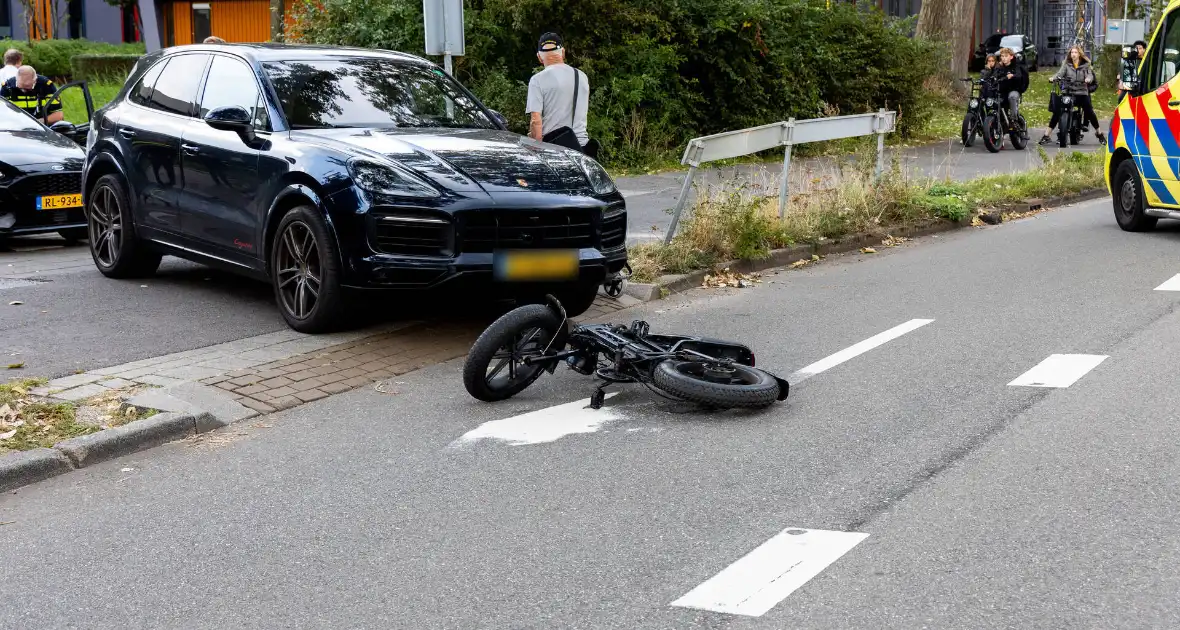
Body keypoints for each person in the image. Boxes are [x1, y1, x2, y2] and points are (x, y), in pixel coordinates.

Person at [525, 31, 598, 157]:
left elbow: (536, 121)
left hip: (555, 150)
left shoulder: (537, 80)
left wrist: (536, 151)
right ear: (563, 52)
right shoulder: (582, 76)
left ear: (539, 57)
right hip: (583, 150)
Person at [1043, 45, 1106, 145]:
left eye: (1075, 52)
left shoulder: (1086, 65)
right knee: (1058, 111)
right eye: (1072, 52)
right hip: (1068, 92)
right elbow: (1059, 74)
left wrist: (1088, 79)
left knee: (1089, 111)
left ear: (1079, 54)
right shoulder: (1066, 64)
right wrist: (1053, 78)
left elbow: (1090, 74)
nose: (1073, 54)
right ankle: (1046, 135)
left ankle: (1099, 133)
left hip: (1081, 92)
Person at [995, 47, 1029, 133]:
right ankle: (995, 121)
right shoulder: (999, 67)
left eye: (1006, 56)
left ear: (1011, 57)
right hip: (1002, 91)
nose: (1003, 58)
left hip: (1014, 90)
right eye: (1002, 56)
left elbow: (1019, 75)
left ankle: (1014, 121)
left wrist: (1012, 76)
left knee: (1012, 97)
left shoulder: (1016, 66)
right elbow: (994, 77)